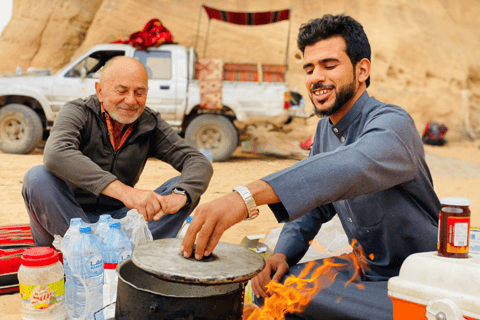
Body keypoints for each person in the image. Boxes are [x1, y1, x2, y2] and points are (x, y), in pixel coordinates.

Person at [180, 14, 440, 319]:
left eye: (329, 66)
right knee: (275, 289)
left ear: (362, 70)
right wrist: (282, 253)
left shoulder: (393, 124)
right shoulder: (323, 132)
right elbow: (315, 207)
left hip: (417, 282)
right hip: (363, 271)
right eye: (309, 68)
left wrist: (245, 197)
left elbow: (354, 164)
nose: (316, 77)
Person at [22, 56, 213, 247]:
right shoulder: (78, 112)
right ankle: (89, 248)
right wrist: (127, 193)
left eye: (139, 93)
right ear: (100, 91)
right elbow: (56, 153)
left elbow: (197, 161)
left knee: (185, 186)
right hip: (68, 217)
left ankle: (121, 251)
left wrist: (180, 196)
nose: (130, 101)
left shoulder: (149, 123)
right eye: (121, 91)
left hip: (118, 221)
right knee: (37, 178)